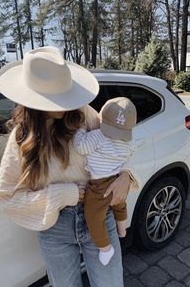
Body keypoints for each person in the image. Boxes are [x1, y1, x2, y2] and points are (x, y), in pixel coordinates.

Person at [0, 46, 138, 287]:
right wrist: (61, 194)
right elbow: (5, 196)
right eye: (55, 96)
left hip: (101, 215)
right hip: (54, 228)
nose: (66, 103)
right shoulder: (21, 137)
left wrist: (126, 175)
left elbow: (118, 146)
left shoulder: (84, 115)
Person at [73, 97, 137, 266]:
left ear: (100, 117)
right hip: (117, 180)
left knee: (93, 216)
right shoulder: (130, 140)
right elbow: (130, 155)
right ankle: (122, 228)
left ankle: (105, 248)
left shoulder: (98, 135)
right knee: (119, 203)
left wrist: (80, 130)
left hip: (99, 186)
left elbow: (80, 147)